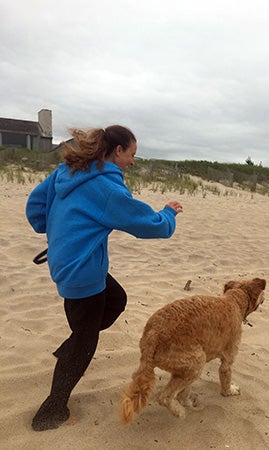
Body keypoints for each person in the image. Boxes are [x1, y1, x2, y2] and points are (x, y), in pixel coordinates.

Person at [26, 125, 183, 431]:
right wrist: (168, 214)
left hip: (72, 262)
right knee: (84, 344)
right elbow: (147, 224)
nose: (133, 162)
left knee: (116, 300)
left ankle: (73, 342)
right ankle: (50, 412)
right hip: (80, 271)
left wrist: (61, 232)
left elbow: (35, 207)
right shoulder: (107, 189)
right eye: (132, 154)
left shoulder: (67, 171)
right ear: (117, 151)